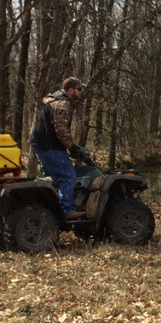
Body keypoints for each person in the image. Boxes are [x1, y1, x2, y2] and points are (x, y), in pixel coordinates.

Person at [29, 77, 91, 219]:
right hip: (50, 146)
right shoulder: (63, 105)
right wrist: (73, 148)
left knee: (53, 179)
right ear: (70, 90)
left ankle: (51, 210)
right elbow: (62, 131)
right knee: (68, 176)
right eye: (79, 89)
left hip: (41, 145)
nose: (80, 92)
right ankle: (66, 210)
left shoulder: (54, 101)